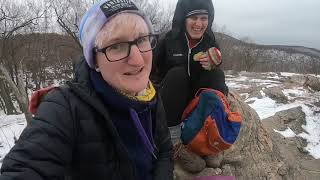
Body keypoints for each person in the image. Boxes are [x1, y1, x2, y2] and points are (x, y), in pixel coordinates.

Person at [0, 0, 173, 179]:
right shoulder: (64, 107)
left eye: (142, 39)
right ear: (95, 61)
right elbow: (24, 169)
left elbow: (164, 152)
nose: (138, 60)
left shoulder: (149, 94)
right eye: (116, 46)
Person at [151, 0, 229, 173]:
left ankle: (210, 136)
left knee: (217, 75)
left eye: (204, 18)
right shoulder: (169, 40)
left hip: (193, 102)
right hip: (170, 101)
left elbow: (214, 77)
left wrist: (216, 61)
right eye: (193, 17)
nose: (199, 24)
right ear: (183, 19)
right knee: (178, 75)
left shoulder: (209, 41)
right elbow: (151, 72)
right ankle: (174, 143)